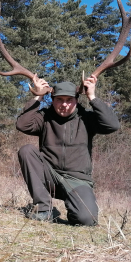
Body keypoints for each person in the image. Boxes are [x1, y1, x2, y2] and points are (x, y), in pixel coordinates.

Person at [16, 74, 120, 226]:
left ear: (76, 100)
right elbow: (22, 125)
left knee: (86, 220)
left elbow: (112, 125)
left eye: (69, 100)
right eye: (59, 99)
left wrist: (92, 97)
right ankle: (45, 209)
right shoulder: (45, 117)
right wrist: (38, 97)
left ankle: (74, 207)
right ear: (52, 100)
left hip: (76, 180)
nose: (64, 105)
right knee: (27, 150)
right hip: (49, 175)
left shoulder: (87, 118)